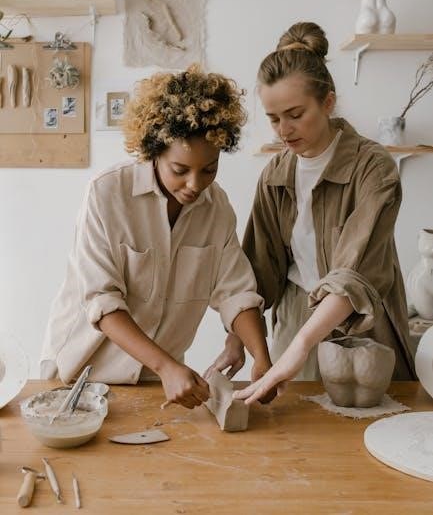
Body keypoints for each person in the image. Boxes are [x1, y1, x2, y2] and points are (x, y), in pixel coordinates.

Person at [40, 66, 274, 409]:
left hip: (157, 381)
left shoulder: (217, 208)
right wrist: (166, 366)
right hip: (81, 376)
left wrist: (262, 359)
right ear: (154, 151)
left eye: (209, 169)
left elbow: (235, 292)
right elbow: (102, 301)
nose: (195, 184)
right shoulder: (107, 194)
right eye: (180, 170)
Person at [212, 22, 415, 404]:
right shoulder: (275, 175)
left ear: (328, 102)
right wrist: (236, 340)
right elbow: (257, 269)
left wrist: (302, 345)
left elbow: (356, 271)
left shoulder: (373, 168)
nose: (283, 130)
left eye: (295, 114)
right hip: (296, 317)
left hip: (362, 324)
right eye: (273, 118)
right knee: (296, 428)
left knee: (369, 427)